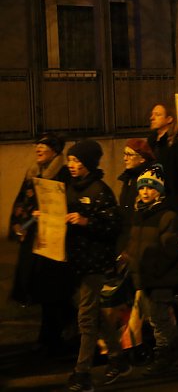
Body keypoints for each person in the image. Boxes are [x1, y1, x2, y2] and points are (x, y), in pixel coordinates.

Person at [61, 139, 123, 392]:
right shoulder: (69, 188)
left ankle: (82, 373)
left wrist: (86, 221)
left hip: (94, 262)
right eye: (70, 160)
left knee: (86, 318)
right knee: (93, 311)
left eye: (76, 160)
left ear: (87, 162)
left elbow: (113, 226)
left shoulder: (100, 191)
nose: (71, 164)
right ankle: (118, 356)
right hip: (76, 259)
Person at [9, 134, 74, 357]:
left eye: (43, 145)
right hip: (35, 239)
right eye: (37, 144)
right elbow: (22, 201)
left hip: (54, 241)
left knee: (54, 289)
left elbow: (67, 205)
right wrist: (23, 222)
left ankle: (56, 336)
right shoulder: (33, 172)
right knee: (41, 288)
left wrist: (49, 215)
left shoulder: (64, 174)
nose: (38, 148)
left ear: (55, 150)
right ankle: (49, 336)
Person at [121, 164, 178, 377]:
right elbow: (134, 242)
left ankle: (166, 352)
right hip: (143, 276)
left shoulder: (167, 216)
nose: (145, 192)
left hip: (160, 276)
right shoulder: (139, 214)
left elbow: (169, 250)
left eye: (150, 188)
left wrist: (155, 269)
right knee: (153, 316)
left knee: (159, 317)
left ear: (160, 191)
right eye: (142, 188)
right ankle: (174, 347)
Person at [147, 103, 178, 213]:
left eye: (157, 115)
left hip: (174, 201)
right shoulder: (152, 141)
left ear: (169, 119)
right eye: (152, 114)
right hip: (155, 198)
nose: (152, 118)